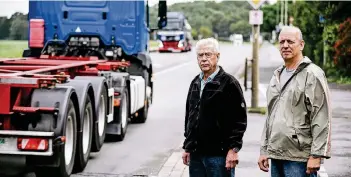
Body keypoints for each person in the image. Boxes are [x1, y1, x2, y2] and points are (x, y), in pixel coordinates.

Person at [258, 26, 332, 177]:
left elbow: (321, 116)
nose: (285, 45)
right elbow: (270, 116)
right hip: (276, 154)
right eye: (282, 41)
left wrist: (317, 155)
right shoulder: (277, 75)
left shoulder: (313, 74)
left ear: (302, 45)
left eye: (290, 41)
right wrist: (264, 150)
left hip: (299, 158)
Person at [182, 38, 248, 177]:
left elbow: (239, 120)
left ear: (217, 56)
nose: (204, 59)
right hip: (196, 155)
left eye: (208, 54)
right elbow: (190, 117)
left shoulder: (229, 83)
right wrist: (187, 147)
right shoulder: (195, 82)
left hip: (219, 155)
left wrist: (233, 149)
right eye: (200, 55)